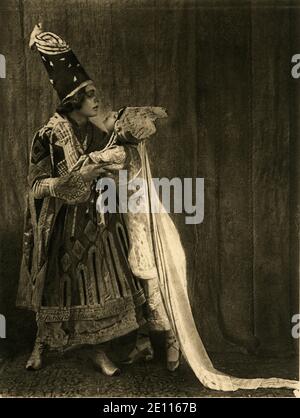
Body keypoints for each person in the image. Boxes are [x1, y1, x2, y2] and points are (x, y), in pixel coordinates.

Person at [16, 25, 148, 376]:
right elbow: (36, 188)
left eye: (94, 93)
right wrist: (77, 179)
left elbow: (116, 162)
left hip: (97, 221)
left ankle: (99, 350)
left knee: (98, 288)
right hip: (61, 224)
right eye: (89, 95)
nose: (96, 99)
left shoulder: (95, 129)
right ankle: (40, 344)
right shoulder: (47, 135)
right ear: (72, 100)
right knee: (56, 289)